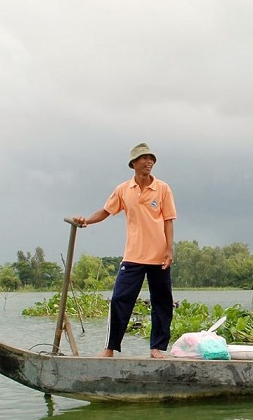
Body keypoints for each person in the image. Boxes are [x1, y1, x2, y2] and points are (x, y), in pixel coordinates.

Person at [72, 142, 177, 359]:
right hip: (133, 256)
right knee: (120, 299)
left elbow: (168, 220)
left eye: (151, 159)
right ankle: (110, 348)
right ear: (134, 163)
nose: (149, 162)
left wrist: (169, 249)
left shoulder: (163, 188)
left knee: (162, 302)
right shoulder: (123, 190)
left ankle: (156, 348)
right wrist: (86, 221)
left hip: (159, 256)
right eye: (144, 159)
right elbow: (105, 211)